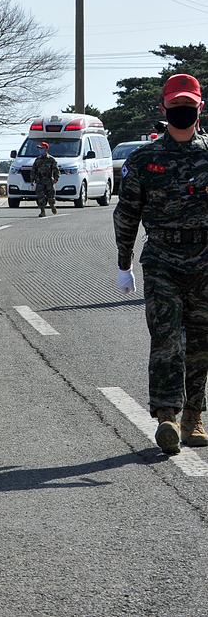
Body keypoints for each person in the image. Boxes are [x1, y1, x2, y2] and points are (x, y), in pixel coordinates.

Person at [113, 73, 208, 455]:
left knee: (201, 343)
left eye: (188, 106)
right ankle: (167, 415)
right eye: (176, 106)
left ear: (200, 108)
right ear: (163, 109)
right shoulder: (144, 158)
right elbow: (127, 213)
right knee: (167, 338)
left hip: (204, 260)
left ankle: (193, 416)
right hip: (162, 261)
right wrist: (124, 263)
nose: (182, 112)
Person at [32, 141, 59, 216]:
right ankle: (42, 211)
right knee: (40, 196)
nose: (41, 150)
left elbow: (56, 170)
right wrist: (32, 180)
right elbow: (34, 170)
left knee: (50, 195)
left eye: (42, 148)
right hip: (40, 180)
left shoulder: (51, 159)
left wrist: (56, 178)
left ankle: (52, 205)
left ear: (46, 149)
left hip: (49, 180)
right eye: (40, 149)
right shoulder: (38, 160)